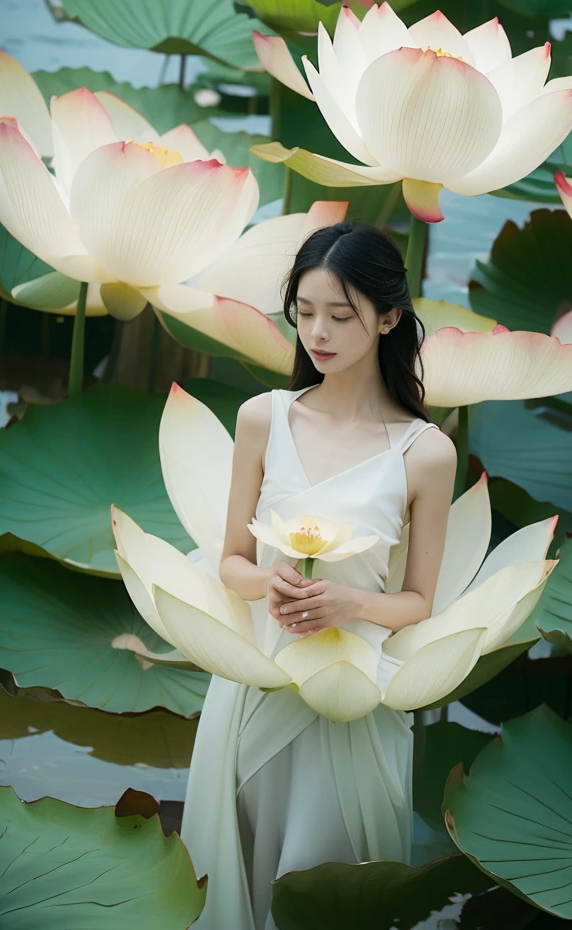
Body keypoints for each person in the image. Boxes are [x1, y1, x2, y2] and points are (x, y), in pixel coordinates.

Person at [181, 220, 457, 929]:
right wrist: (265, 583)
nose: (318, 333)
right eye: (304, 312)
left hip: (351, 691)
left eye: (341, 314)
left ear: (389, 318)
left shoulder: (424, 452)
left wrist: (348, 602)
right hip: (256, 677)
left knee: (321, 892)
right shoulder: (262, 419)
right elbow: (232, 564)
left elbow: (419, 601)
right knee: (233, 881)